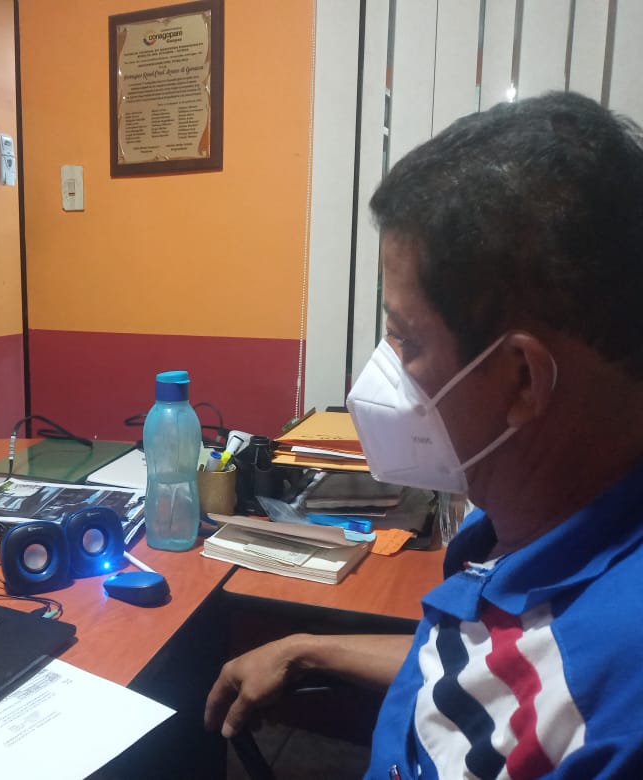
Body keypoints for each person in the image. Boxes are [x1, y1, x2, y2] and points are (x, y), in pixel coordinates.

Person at [204, 91, 643, 779]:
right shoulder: (532, 521)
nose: (385, 372)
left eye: (406, 340)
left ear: (522, 380)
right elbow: (477, 664)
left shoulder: (602, 700)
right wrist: (310, 648)